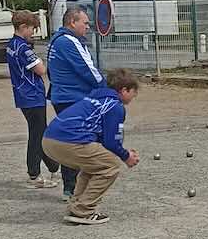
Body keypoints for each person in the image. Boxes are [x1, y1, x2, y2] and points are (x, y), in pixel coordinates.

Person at [43, 68, 140, 226]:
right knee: (111, 165)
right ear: (124, 90)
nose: (134, 97)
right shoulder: (114, 106)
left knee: (95, 164)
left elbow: (103, 141)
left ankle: (76, 207)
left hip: (49, 139)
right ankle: (84, 210)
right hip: (68, 141)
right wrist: (126, 156)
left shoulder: (94, 97)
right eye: (133, 93)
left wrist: (122, 152)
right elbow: (111, 142)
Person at [47, 5, 105, 201]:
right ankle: (76, 189)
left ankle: (70, 188)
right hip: (73, 98)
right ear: (72, 22)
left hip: (62, 97)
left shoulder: (56, 41)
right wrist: (106, 91)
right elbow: (88, 71)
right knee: (80, 143)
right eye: (85, 23)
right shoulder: (69, 42)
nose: (87, 27)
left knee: (71, 141)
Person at [6, 9, 59, 188]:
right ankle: (34, 175)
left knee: (40, 132)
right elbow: (41, 70)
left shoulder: (11, 44)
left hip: (22, 94)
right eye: (32, 29)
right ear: (23, 27)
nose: (33, 33)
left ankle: (53, 165)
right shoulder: (23, 48)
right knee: (37, 135)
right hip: (32, 95)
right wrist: (41, 60)